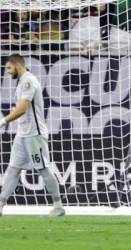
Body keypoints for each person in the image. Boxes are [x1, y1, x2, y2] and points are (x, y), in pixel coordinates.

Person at [0, 54, 65, 217]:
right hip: (22, 134)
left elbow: (22, 109)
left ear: (17, 65)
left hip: (34, 135)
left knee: (42, 169)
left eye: (9, 67)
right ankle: (0, 204)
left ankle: (58, 206)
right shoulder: (21, 82)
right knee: (13, 169)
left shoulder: (29, 81)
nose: (7, 72)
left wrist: (3, 121)